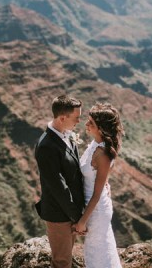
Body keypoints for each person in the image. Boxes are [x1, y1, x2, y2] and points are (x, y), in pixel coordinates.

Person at [35, 95, 85, 268]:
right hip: (59, 215)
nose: (79, 122)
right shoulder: (46, 146)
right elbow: (58, 187)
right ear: (63, 118)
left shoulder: (67, 134)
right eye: (76, 118)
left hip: (71, 210)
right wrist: (77, 217)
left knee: (67, 257)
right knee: (62, 262)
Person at [74, 102, 123, 268]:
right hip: (92, 205)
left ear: (101, 129)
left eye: (91, 123)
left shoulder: (102, 154)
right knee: (97, 252)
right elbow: (101, 177)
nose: (86, 124)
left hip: (96, 210)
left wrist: (82, 221)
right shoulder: (96, 144)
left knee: (97, 255)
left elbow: (96, 194)